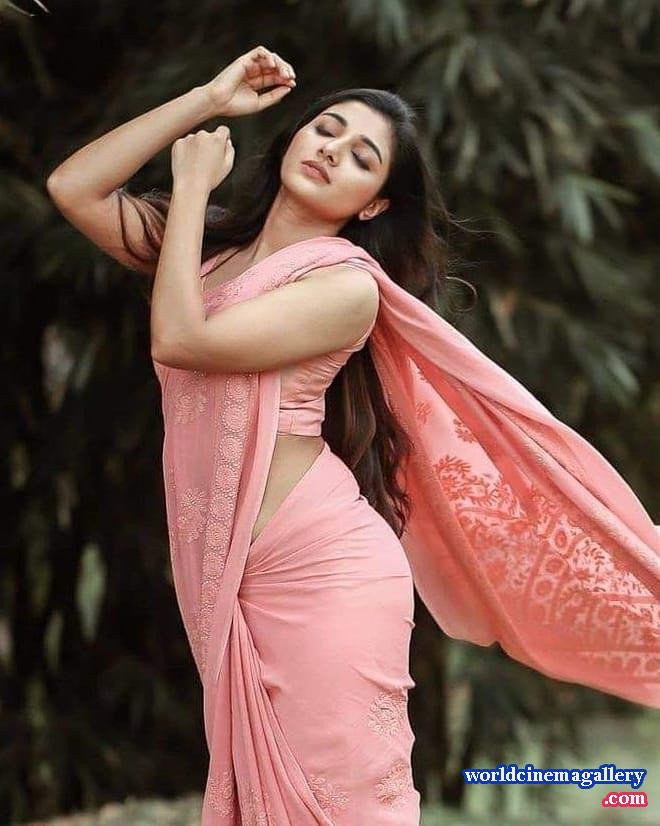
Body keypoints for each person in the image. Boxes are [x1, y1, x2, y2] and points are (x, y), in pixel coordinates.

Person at [47, 45, 659, 825]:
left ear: (373, 205)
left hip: (325, 574)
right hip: (234, 576)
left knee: (347, 807)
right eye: (326, 129)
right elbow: (73, 187)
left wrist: (192, 186)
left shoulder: (345, 289)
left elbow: (182, 339)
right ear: (294, 136)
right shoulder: (205, 256)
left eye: (362, 156)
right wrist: (207, 99)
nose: (333, 150)